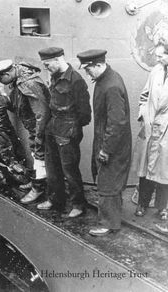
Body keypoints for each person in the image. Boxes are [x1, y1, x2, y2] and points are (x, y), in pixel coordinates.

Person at [77, 49, 132, 236]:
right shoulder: (105, 79)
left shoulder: (111, 85)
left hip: (113, 144)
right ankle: (111, 214)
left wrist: (106, 149)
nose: (87, 73)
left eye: (88, 69)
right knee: (105, 178)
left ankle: (108, 223)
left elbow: (117, 122)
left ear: (99, 65)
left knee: (108, 181)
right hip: (105, 139)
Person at [37, 47, 91, 218]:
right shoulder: (54, 76)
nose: (46, 68)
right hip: (52, 127)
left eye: (47, 64)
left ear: (58, 59)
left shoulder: (76, 80)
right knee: (52, 168)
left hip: (67, 129)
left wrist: (72, 128)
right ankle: (55, 199)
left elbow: (85, 113)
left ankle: (78, 204)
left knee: (70, 170)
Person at [0, 59, 51, 204]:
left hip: (40, 129)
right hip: (33, 128)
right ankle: (37, 182)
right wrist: (2, 93)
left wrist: (39, 136)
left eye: (0, 78)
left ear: (8, 73)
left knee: (39, 158)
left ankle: (38, 188)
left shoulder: (28, 84)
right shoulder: (19, 79)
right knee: (36, 155)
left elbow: (41, 113)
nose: (0, 81)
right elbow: (16, 107)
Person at [132, 42, 168, 221]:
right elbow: (145, 95)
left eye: (162, 55)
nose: (158, 58)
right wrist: (143, 114)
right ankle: (142, 203)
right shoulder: (156, 71)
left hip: (166, 130)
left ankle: (163, 207)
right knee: (145, 170)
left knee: (165, 172)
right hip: (150, 126)